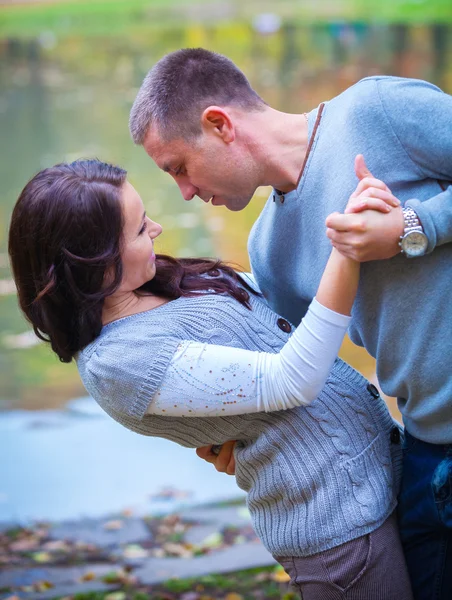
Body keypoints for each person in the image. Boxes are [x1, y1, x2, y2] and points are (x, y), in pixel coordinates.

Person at [129, 48, 452, 600]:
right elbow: (304, 377)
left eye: (179, 166)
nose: (184, 192)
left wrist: (412, 226)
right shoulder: (268, 250)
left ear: (219, 124)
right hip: (425, 456)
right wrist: (233, 434)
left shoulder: (376, 110)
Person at [9, 159, 413, 599]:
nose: (158, 229)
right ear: (95, 265)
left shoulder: (152, 282)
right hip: (341, 533)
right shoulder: (118, 363)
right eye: (142, 229)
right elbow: (291, 380)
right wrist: (346, 249)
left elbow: (277, 313)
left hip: (382, 476)